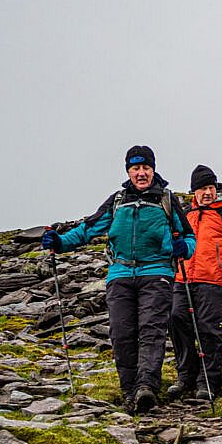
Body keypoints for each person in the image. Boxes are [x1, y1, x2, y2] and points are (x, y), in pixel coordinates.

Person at [41, 146, 195, 414]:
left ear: (153, 169)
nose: (141, 173)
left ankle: (146, 388)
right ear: (128, 171)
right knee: (122, 334)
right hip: (120, 275)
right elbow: (88, 230)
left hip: (157, 273)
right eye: (135, 168)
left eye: (146, 168)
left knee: (151, 331)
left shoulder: (167, 200)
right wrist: (60, 242)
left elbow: (189, 236)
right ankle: (129, 392)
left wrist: (185, 248)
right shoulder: (117, 201)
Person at [167, 165, 222, 401]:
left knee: (210, 331)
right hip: (182, 279)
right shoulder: (185, 215)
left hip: (214, 280)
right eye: (203, 188)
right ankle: (186, 377)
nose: (208, 192)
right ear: (194, 191)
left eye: (211, 187)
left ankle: (208, 382)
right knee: (176, 320)